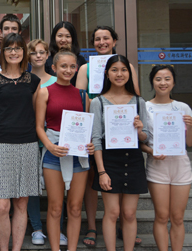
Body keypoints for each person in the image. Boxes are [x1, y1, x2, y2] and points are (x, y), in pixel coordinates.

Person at [75, 25, 140, 247]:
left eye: (106, 38)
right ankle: (92, 226)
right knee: (94, 178)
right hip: (95, 126)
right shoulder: (85, 68)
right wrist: (92, 105)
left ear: (114, 40)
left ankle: (125, 225)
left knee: (122, 190)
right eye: (97, 39)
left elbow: (136, 99)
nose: (102, 42)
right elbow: (79, 99)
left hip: (123, 133)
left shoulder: (126, 66)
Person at [0, 33, 41, 251]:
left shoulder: (33, 81)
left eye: (18, 48)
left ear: (24, 52)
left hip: (27, 144)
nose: (14, 52)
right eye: (9, 48)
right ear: (3, 53)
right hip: (0, 145)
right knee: (1, 205)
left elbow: (37, 116)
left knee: (21, 203)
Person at [35, 49, 94, 251]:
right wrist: (49, 146)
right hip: (53, 153)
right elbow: (38, 126)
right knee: (55, 207)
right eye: (63, 66)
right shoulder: (45, 91)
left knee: (76, 208)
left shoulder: (82, 95)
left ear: (76, 69)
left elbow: (86, 127)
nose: (68, 70)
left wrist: (89, 144)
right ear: (54, 67)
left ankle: (72, 248)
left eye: (72, 66)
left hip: (78, 155)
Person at [91, 54, 149, 251]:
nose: (119, 74)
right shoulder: (98, 102)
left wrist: (140, 130)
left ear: (129, 73)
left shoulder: (139, 101)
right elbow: (96, 139)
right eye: (115, 70)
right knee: (112, 212)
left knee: (130, 213)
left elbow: (146, 137)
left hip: (133, 158)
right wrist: (101, 171)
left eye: (124, 70)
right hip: (109, 159)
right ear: (107, 74)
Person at [140, 65, 192, 251]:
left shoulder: (183, 107)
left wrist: (191, 126)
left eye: (167, 79)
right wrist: (150, 151)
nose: (163, 83)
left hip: (181, 167)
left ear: (174, 82)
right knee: (162, 216)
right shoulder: (145, 107)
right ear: (152, 82)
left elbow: (190, 143)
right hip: (157, 166)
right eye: (158, 79)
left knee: (178, 217)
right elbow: (141, 142)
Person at [26, 39, 67, 246]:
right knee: (32, 185)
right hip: (28, 138)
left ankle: (57, 229)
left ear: (48, 56)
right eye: (34, 53)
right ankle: (37, 228)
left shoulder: (56, 80)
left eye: (42, 52)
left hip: (54, 140)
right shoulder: (23, 80)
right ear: (28, 56)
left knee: (56, 188)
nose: (38, 56)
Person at [45, 21, 87, 86]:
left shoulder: (80, 60)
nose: (63, 40)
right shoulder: (47, 61)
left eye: (67, 36)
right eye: (60, 36)